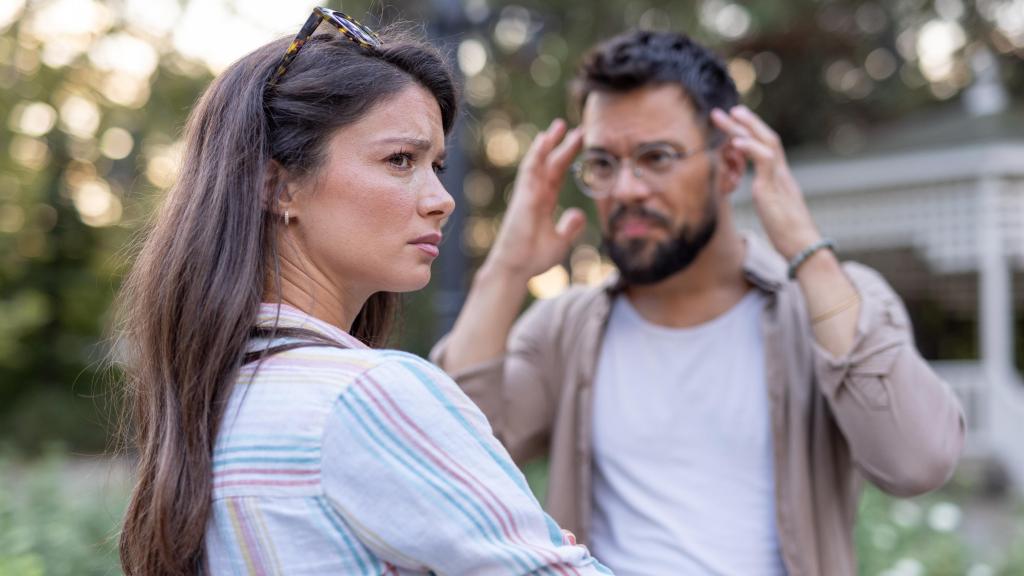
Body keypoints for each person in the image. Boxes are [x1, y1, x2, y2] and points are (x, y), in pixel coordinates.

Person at [432, 30, 965, 575]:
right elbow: (452, 458)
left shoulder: (827, 304)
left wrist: (807, 251)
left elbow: (916, 461)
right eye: (603, 164)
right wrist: (507, 268)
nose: (626, 189)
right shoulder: (564, 328)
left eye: (655, 157)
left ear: (731, 165)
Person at [113, 8, 611, 575]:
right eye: (400, 160)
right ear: (278, 185)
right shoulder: (365, 394)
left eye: (437, 165)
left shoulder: (210, 399)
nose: (441, 198)